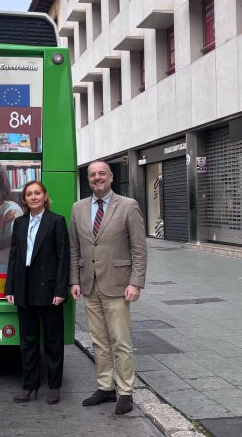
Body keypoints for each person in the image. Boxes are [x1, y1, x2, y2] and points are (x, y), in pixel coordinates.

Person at [68, 161, 147, 415]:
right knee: (99, 341)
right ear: (88, 180)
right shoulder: (78, 208)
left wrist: (135, 282)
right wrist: (75, 280)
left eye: (102, 173)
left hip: (118, 284)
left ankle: (125, 391)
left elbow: (139, 248)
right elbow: (74, 249)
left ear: (111, 177)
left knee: (120, 341)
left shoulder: (128, 206)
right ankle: (105, 387)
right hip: (89, 285)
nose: (97, 178)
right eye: (92, 175)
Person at [5, 180, 69, 405]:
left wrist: (61, 290)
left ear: (44, 196)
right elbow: (13, 257)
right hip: (24, 287)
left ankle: (54, 386)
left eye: (37, 193)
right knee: (28, 341)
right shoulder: (20, 223)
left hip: (50, 289)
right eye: (29, 194)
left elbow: (63, 258)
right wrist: (10, 287)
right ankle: (29, 385)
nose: (33, 197)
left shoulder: (56, 221)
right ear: (24, 199)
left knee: (53, 340)